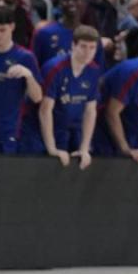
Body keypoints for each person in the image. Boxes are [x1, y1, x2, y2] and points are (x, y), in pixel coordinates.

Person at [33, 26, 101, 168]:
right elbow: (45, 110)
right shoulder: (55, 68)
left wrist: (84, 147)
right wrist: (52, 148)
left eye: (92, 48)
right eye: (83, 47)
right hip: (48, 126)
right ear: (73, 45)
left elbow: (90, 110)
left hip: (73, 127)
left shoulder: (94, 71)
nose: (87, 52)